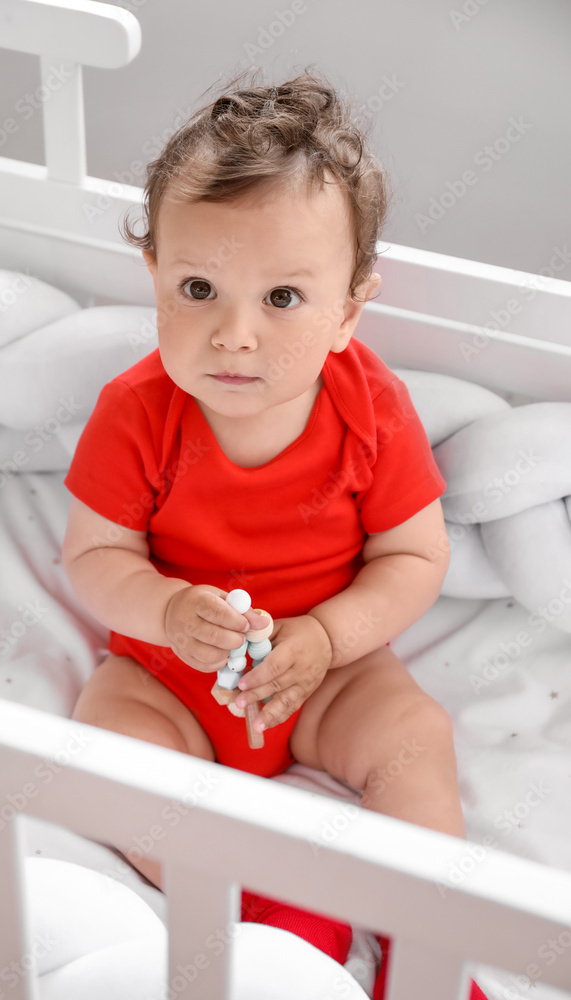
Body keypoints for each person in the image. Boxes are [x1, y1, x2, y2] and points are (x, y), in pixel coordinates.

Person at [62, 67, 477, 992]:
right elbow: (92, 556)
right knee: (106, 745)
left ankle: (426, 952)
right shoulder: (135, 412)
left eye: (282, 298)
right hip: (169, 677)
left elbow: (414, 554)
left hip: (326, 673)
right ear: (154, 278)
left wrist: (328, 636)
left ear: (348, 312)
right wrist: (166, 612)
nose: (234, 334)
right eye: (198, 287)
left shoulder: (372, 408)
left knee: (415, 734)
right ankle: (263, 916)